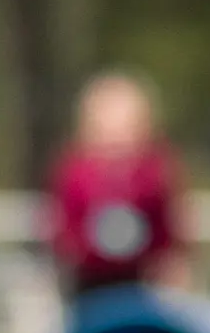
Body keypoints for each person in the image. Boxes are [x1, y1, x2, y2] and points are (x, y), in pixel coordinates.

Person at [46, 72, 189, 310]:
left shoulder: (156, 168)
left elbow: (170, 228)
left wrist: (172, 271)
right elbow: (62, 230)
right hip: (88, 284)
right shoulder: (73, 170)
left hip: (145, 283)